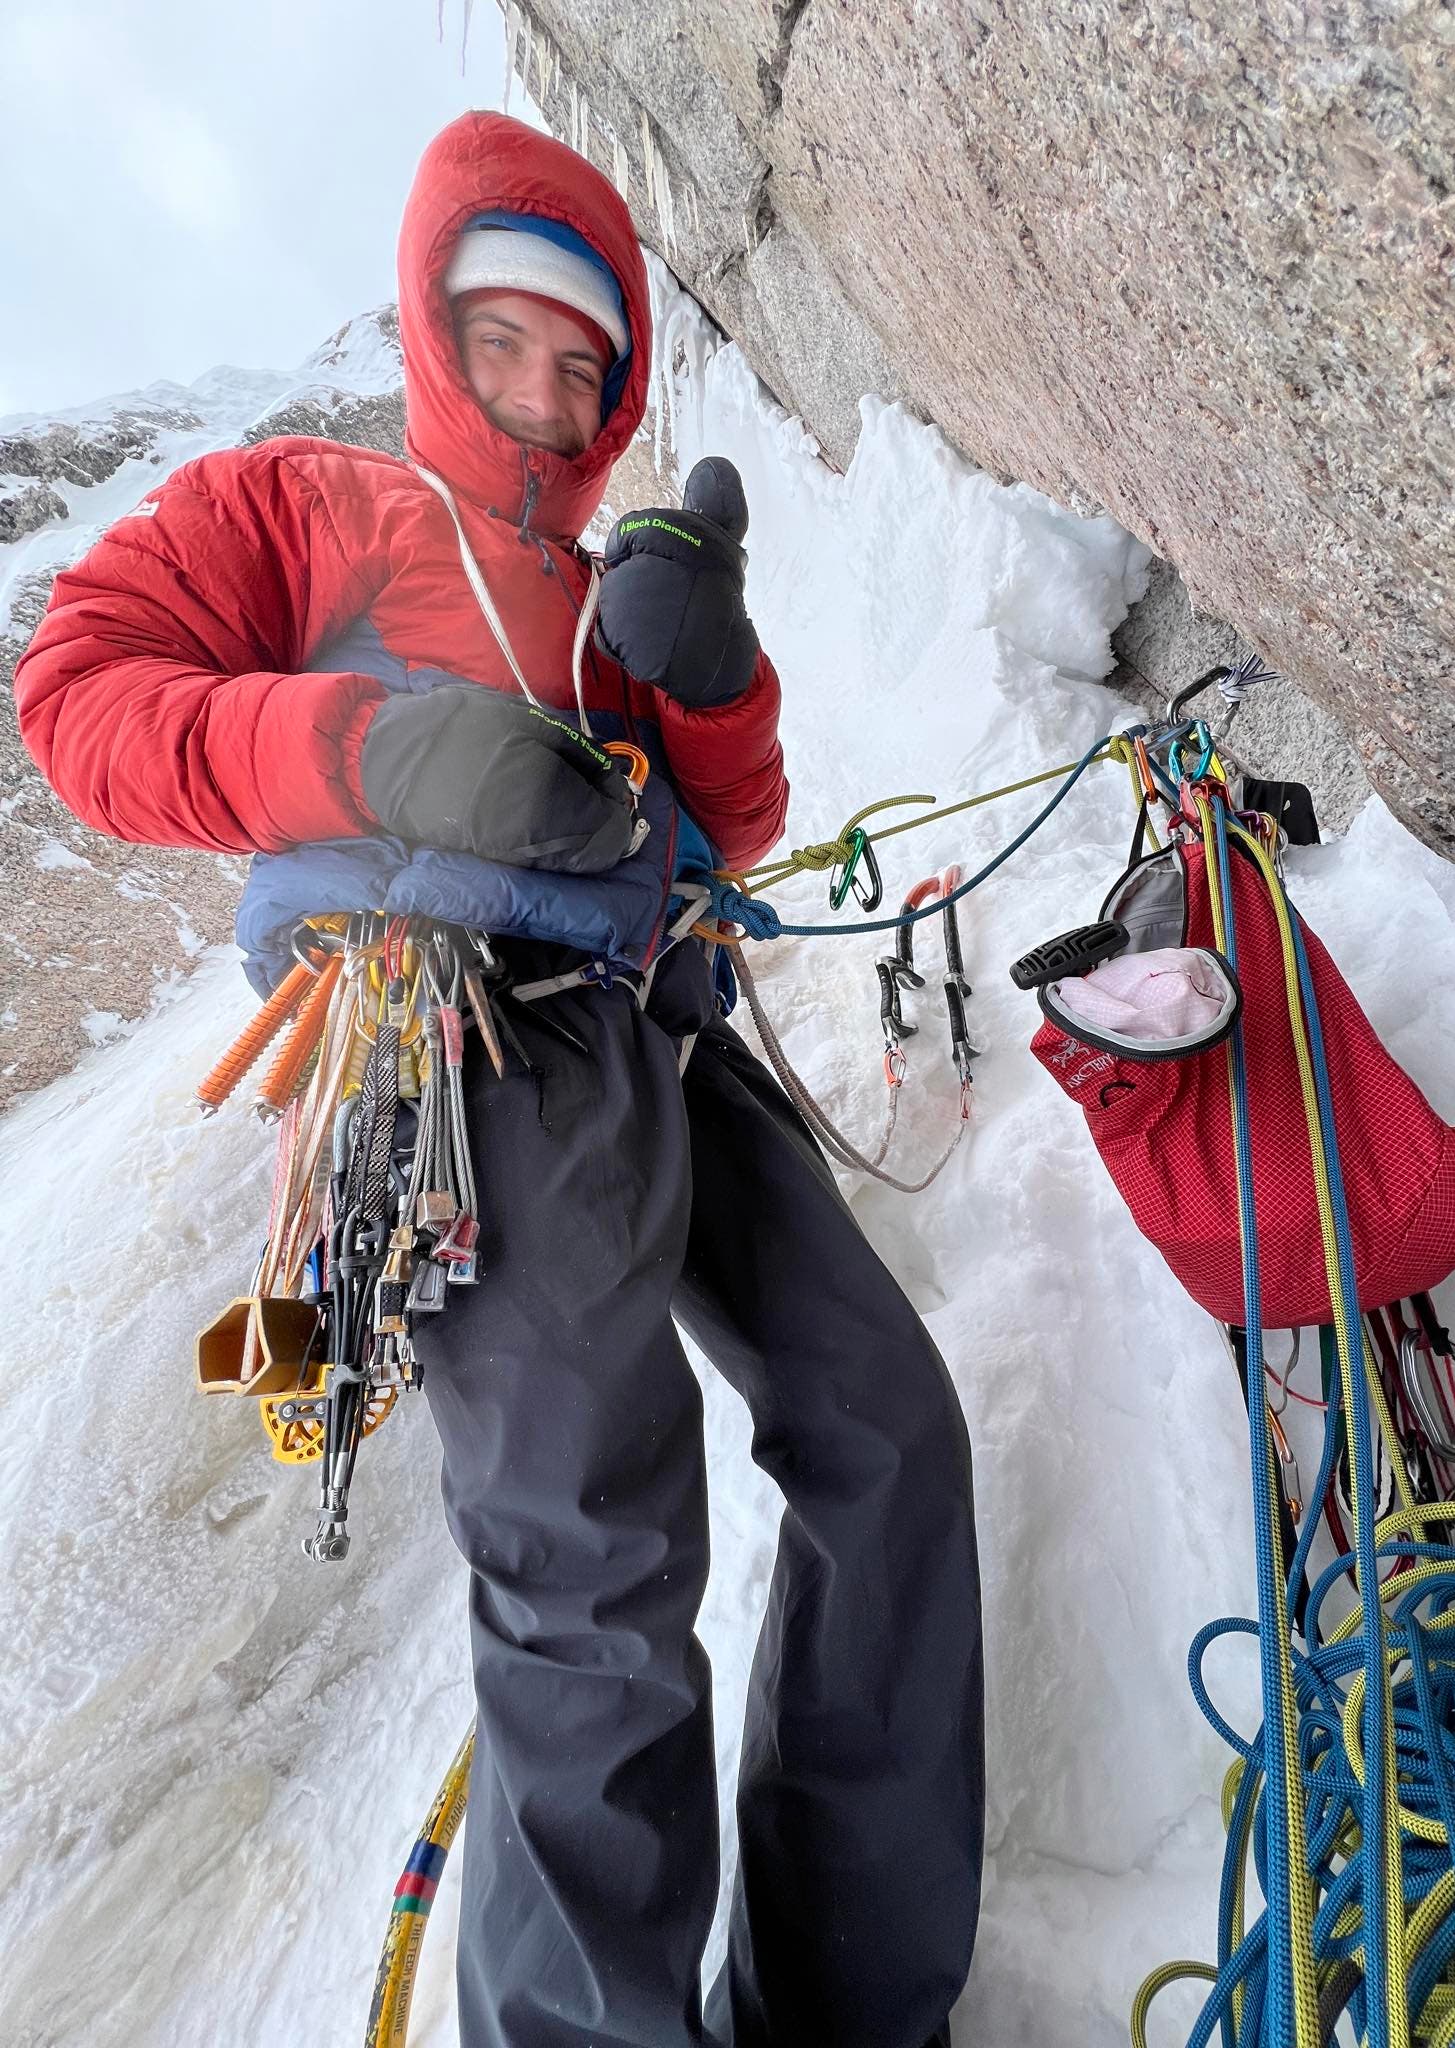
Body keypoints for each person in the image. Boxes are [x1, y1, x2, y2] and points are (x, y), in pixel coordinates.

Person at [16, 111, 985, 2048]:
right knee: (597, 1572)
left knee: (887, 1437)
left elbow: (733, 818)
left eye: (588, 358)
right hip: (452, 1036)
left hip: (666, 1026)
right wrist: (375, 751)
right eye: (505, 335)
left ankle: (855, 1999)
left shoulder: (610, 570)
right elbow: (83, 706)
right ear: (427, 320)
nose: (548, 388)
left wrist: (704, 673)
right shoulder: (287, 500)